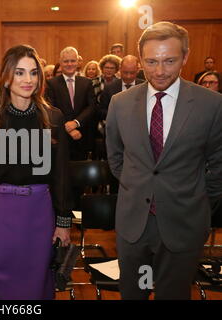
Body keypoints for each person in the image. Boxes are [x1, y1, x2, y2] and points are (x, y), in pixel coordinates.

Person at [106, 21, 222, 300]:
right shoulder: (120, 103)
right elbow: (116, 157)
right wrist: (139, 186)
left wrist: (198, 200)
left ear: (185, 56)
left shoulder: (211, 104)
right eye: (151, 61)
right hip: (134, 223)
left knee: (174, 294)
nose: (159, 70)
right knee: (134, 293)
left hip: (184, 222)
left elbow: (218, 163)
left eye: (169, 61)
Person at [0, 44, 71, 300]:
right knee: (2, 280)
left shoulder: (54, 117)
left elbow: (61, 176)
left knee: (36, 282)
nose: (28, 80)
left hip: (40, 212)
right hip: (0, 211)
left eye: (33, 73)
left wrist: (63, 222)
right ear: (6, 77)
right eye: (19, 73)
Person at [45, 46, 96, 160]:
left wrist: (76, 123)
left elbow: (92, 107)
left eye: (72, 61)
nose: (69, 64)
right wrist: (69, 128)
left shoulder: (87, 82)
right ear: (60, 62)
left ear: (78, 62)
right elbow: (50, 109)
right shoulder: (51, 84)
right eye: (66, 61)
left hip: (82, 136)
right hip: (61, 137)